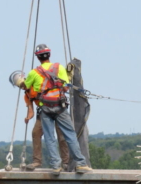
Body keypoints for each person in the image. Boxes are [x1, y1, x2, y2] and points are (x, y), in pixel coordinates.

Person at [23, 44, 91, 176]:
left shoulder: (33, 73)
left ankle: (55, 166)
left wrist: (20, 80)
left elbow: (25, 86)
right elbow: (66, 88)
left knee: (49, 137)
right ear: (49, 55)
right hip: (60, 107)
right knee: (69, 135)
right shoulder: (58, 68)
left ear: (38, 57)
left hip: (45, 109)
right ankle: (81, 164)